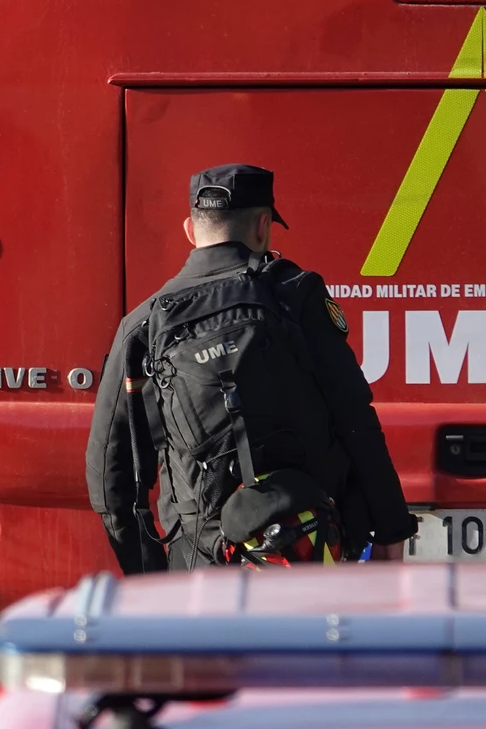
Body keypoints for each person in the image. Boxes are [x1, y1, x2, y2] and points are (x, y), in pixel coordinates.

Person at [87, 164, 416, 572]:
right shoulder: (295, 296)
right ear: (263, 226)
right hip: (308, 554)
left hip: (201, 563)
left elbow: (110, 476)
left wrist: (148, 576)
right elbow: (355, 421)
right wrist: (390, 528)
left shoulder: (142, 325)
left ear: (191, 230)